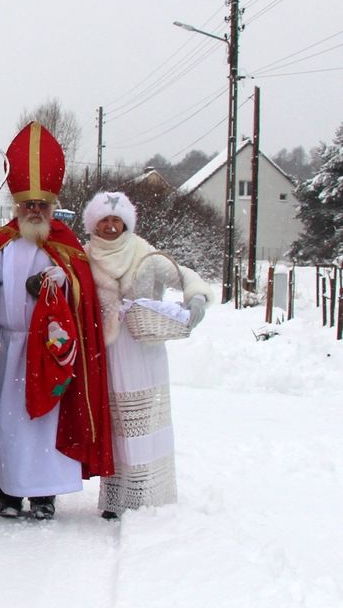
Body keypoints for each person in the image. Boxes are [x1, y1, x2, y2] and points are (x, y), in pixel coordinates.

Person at [0, 121, 113, 520]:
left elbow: (84, 301)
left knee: (45, 421)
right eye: (28, 205)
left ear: (52, 206)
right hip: (9, 349)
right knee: (9, 423)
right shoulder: (2, 243)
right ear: (17, 206)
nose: (35, 211)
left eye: (42, 205)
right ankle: (9, 492)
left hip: (50, 351)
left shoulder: (67, 247)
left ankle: (44, 495)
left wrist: (70, 284)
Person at [82, 191, 209, 519]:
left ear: (126, 222)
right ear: (94, 223)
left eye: (116, 220)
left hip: (143, 347)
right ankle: (115, 497)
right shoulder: (86, 256)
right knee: (116, 423)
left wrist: (195, 297)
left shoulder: (144, 252)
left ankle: (144, 495)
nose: (110, 227)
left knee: (142, 423)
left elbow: (182, 275)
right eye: (104, 220)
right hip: (107, 351)